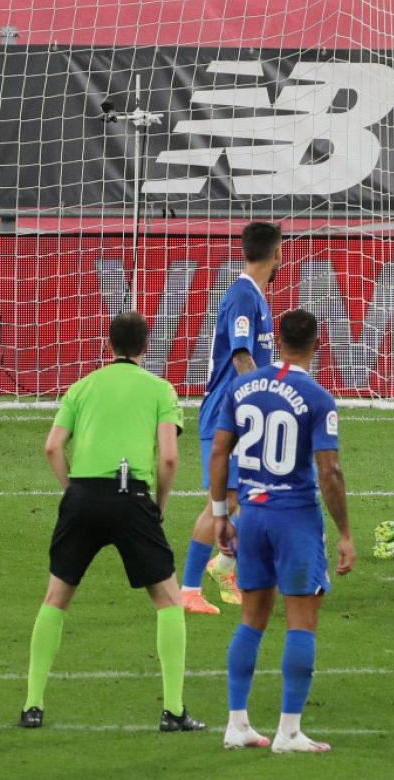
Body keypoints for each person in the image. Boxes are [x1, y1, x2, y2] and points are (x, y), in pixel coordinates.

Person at [19, 311, 203, 732]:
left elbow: (52, 447)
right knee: (169, 600)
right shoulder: (160, 389)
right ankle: (173, 711)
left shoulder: (82, 387)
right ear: (145, 347)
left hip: (82, 496)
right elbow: (170, 456)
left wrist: (73, 491)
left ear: (108, 345)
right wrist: (159, 503)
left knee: (55, 599)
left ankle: (32, 706)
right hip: (131, 495)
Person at [211, 309, 355, 753]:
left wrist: (220, 513)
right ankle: (289, 732)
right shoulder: (317, 396)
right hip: (294, 517)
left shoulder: (242, 386)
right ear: (317, 343)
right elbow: (329, 471)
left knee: (251, 618)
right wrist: (345, 532)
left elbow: (219, 452)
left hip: (251, 515)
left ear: (274, 342)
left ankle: (237, 724)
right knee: (301, 621)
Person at [181, 221, 282, 616]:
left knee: (256, 496)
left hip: (242, 414)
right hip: (228, 413)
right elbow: (241, 356)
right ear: (276, 255)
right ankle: (189, 589)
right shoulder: (243, 297)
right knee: (221, 502)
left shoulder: (253, 295)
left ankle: (224, 566)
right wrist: (265, 396)